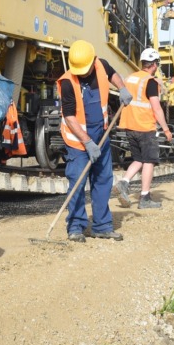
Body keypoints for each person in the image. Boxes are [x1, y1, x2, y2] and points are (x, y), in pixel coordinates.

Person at [57, 39, 133, 242]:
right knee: (77, 182)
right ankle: (75, 227)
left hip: (101, 134)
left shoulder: (101, 65)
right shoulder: (67, 82)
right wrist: (87, 142)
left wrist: (122, 88)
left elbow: (113, 74)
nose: (82, 74)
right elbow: (69, 117)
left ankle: (102, 226)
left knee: (103, 180)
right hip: (78, 140)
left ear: (93, 60)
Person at [115, 48, 173, 209]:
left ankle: (124, 182)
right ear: (154, 64)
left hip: (129, 125)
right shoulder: (150, 82)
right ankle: (145, 197)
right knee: (149, 161)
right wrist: (166, 129)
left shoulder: (129, 78)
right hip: (144, 127)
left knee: (138, 159)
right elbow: (157, 108)